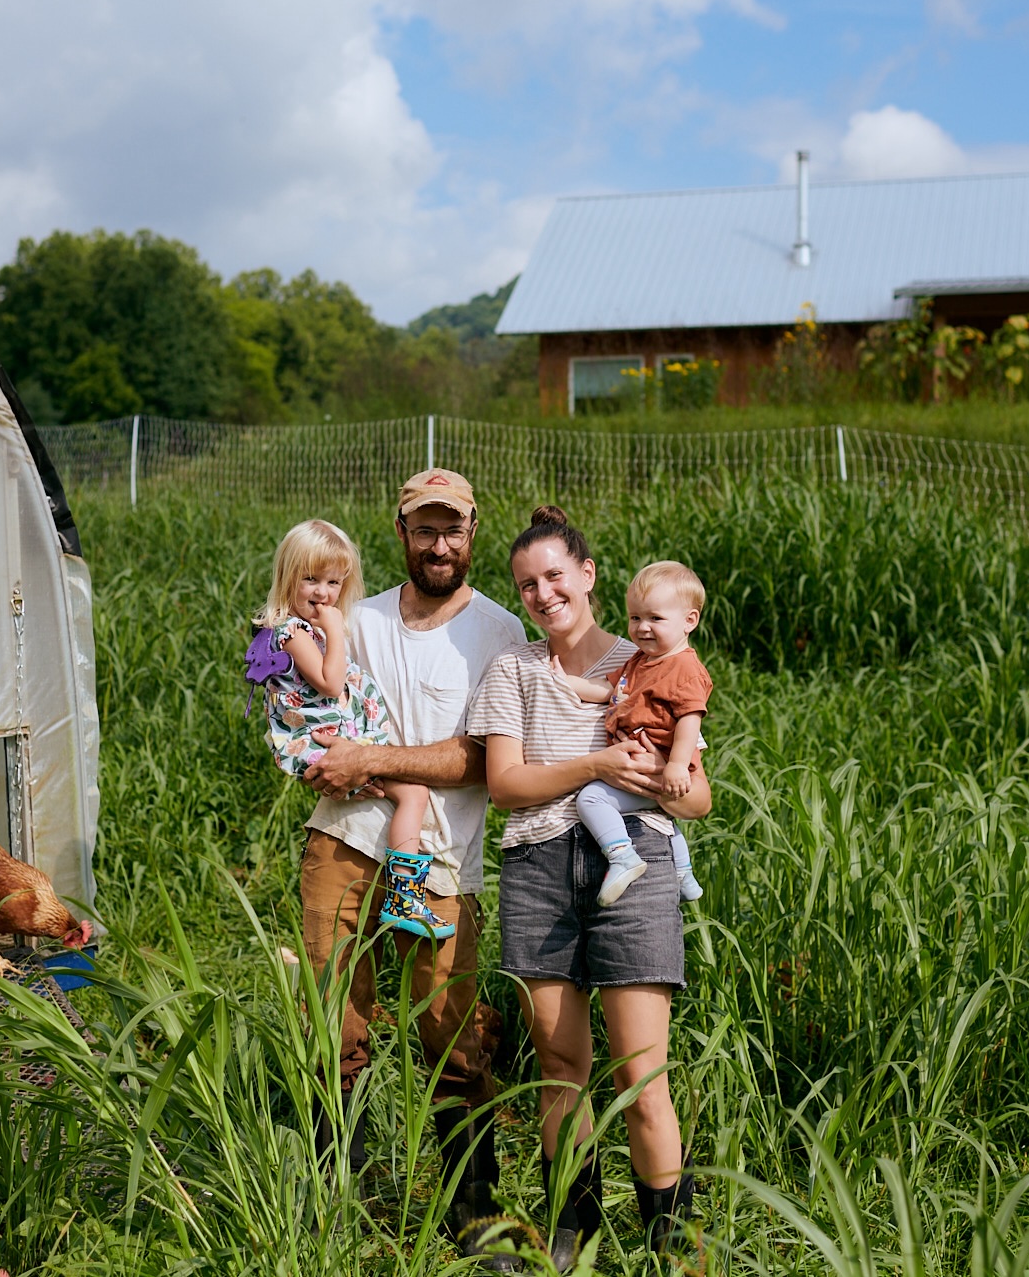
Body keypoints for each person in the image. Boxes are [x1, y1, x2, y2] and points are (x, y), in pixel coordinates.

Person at [293, 469, 529, 1265]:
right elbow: (306, 702)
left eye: (451, 529)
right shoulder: (352, 617)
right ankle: (339, 1195)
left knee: (450, 1033)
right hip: (340, 842)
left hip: (442, 863)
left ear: (473, 531)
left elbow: (481, 758)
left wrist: (370, 756)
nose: (438, 544)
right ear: (400, 531)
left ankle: (475, 1214)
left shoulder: (497, 634)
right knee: (333, 1021)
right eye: (424, 528)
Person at [466, 506, 711, 1263]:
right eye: (526, 585)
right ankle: (576, 1218)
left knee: (643, 1071)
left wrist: (665, 779)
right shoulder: (514, 669)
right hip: (538, 867)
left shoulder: (649, 658)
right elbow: (506, 785)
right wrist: (599, 767)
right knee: (561, 1064)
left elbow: (698, 797)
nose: (542, 594)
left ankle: (670, 1237)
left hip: (632, 859)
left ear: (588, 574)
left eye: (553, 576)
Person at [251, 518, 448, 939]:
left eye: (334, 583)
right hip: (323, 744)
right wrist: (337, 631)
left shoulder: (309, 629)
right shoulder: (292, 631)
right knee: (414, 793)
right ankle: (406, 896)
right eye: (310, 580)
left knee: (410, 794)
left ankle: (403, 894)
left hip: (337, 741)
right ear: (287, 577)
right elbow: (330, 682)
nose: (323, 593)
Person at [550, 559, 710, 906]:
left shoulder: (684, 667)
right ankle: (682, 873)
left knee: (591, 798)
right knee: (660, 814)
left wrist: (677, 766)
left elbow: (689, 720)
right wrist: (565, 683)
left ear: (689, 621)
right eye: (635, 617)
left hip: (665, 768)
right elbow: (607, 690)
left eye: (655, 618)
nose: (642, 627)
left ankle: (622, 855)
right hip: (651, 770)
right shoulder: (641, 661)